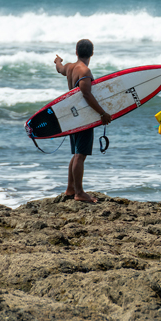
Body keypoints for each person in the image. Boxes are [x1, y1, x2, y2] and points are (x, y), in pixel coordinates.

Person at [54, 38, 111, 204]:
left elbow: (60, 69)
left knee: (76, 153)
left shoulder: (71, 67)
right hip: (82, 116)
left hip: (72, 116)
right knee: (81, 154)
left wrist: (58, 61)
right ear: (92, 53)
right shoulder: (84, 71)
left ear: (76, 52)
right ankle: (79, 192)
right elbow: (86, 94)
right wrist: (102, 113)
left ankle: (70, 188)